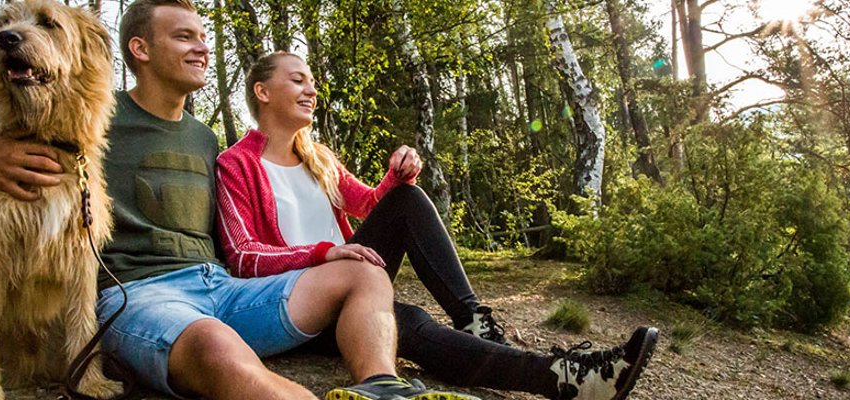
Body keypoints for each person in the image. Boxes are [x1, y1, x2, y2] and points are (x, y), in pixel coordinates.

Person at [0, 1, 479, 399]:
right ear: (140, 50)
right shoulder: (92, 119)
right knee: (216, 346)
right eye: (185, 37)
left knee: (366, 273)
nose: (203, 47)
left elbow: (238, 243)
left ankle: (381, 388)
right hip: (141, 296)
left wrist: (322, 250)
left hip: (218, 285)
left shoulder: (205, 138)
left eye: (203, 36)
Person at [214, 51, 660, 400]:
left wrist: (397, 173)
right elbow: (244, 256)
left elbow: (370, 204)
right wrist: (324, 253)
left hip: (355, 280)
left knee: (406, 199)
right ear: (263, 91)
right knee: (411, 323)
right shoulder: (235, 163)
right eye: (297, 80)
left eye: (312, 81)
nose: (311, 89)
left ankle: (474, 321)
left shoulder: (319, 157)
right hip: (299, 303)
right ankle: (563, 378)